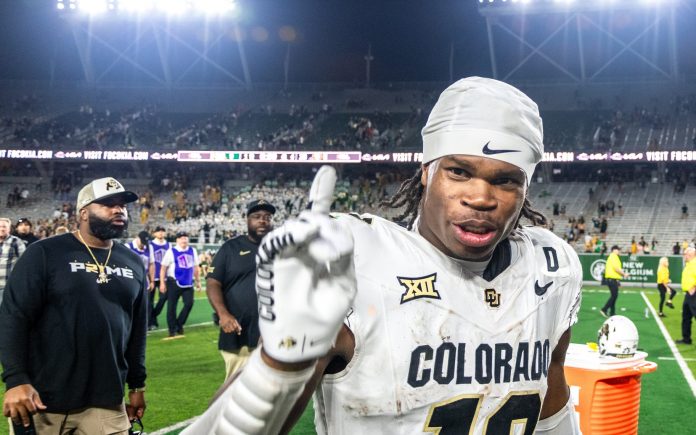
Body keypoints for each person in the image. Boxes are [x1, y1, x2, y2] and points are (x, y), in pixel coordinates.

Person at [183, 77, 583, 434]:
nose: (480, 197)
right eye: (459, 171)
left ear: (525, 188)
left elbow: (551, 387)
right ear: (427, 171)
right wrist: (281, 361)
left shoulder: (550, 266)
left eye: (505, 180)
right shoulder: (356, 257)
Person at [0, 177, 147, 434]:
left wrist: (137, 386)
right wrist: (15, 380)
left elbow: (136, 331)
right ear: (83, 212)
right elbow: (14, 316)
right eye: (107, 204)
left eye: (122, 205)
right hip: (43, 399)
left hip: (107, 400)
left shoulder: (133, 262)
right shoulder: (45, 253)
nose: (119, 210)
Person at [206, 199, 275, 380]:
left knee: (273, 393)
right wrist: (223, 314)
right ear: (247, 220)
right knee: (236, 390)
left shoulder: (281, 249)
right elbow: (213, 282)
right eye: (257, 217)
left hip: (274, 334)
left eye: (267, 217)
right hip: (239, 332)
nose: (262, 221)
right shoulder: (231, 247)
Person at [160, 231, 201, 339]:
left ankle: (179, 324)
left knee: (189, 303)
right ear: (177, 240)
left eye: (185, 237)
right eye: (181, 237)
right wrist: (162, 283)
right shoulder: (171, 252)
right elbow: (163, 268)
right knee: (171, 307)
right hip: (173, 282)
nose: (184, 239)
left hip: (188, 282)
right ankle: (172, 329)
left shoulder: (193, 250)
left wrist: (198, 281)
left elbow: (196, 267)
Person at [0, 217, 26, 305]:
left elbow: (24, 263)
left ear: (9, 228)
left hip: (8, 287)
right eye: (0, 226)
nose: (2, 229)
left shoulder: (16, 242)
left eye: (4, 227)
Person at [148, 225, 170, 330]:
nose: (161, 233)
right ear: (154, 233)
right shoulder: (150, 245)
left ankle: (153, 316)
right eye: (158, 231)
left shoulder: (169, 245)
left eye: (162, 231)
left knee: (163, 298)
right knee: (149, 301)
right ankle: (152, 322)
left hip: (164, 278)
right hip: (152, 277)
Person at [128, 230, 156, 306]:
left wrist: (152, 281)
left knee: (144, 304)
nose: (143, 245)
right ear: (137, 238)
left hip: (144, 278)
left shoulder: (149, 247)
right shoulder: (128, 247)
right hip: (131, 278)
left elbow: (151, 264)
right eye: (142, 242)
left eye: (145, 243)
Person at [601, 245, 629, 318]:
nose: (619, 251)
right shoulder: (614, 256)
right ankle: (604, 309)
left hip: (612, 279)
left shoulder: (613, 257)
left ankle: (612, 312)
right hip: (611, 279)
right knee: (614, 296)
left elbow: (616, 269)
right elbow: (616, 268)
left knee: (614, 296)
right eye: (618, 249)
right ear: (614, 250)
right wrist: (624, 274)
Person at [677, 247, 696, 345]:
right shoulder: (688, 265)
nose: (684, 255)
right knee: (686, 317)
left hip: (694, 294)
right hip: (688, 294)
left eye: (685, 254)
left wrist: (694, 287)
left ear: (691, 255)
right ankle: (686, 339)